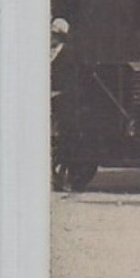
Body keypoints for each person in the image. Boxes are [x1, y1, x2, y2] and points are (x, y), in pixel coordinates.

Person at [50, 18, 85, 190]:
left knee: (67, 142)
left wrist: (59, 92)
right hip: (52, 101)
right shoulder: (49, 53)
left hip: (66, 102)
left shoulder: (70, 55)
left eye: (54, 35)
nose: (51, 38)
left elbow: (72, 82)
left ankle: (66, 179)